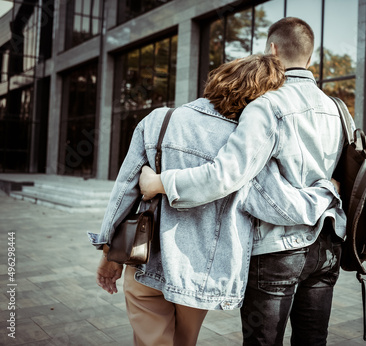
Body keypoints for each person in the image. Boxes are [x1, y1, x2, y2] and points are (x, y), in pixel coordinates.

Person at [89, 54, 339, 346]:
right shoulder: (246, 148)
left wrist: (108, 253)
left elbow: (124, 193)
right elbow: (278, 206)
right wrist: (327, 191)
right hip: (200, 274)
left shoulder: (160, 120)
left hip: (145, 259)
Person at [139, 17, 356, 345]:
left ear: (272, 49)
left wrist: (161, 183)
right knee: (313, 340)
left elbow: (224, 176)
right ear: (310, 58)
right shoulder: (338, 109)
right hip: (328, 246)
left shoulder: (268, 105)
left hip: (278, 250)